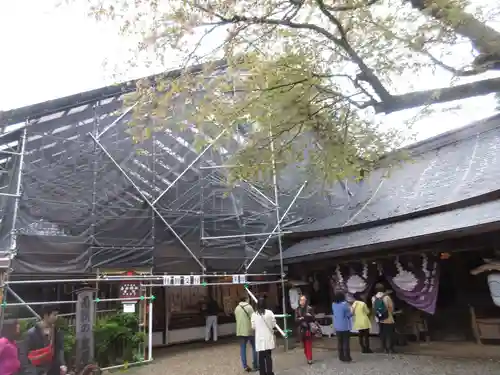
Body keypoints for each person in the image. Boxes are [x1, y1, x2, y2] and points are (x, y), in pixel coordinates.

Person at [25, 305, 67, 375]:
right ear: (46, 315)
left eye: (57, 315)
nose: (56, 317)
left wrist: (62, 364)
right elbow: (28, 355)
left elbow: (60, 349)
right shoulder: (32, 333)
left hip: (54, 368)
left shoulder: (57, 331)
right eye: (54, 315)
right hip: (38, 370)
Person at [251, 297, 276, 375]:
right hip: (268, 337)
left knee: (261, 357)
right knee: (268, 356)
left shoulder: (254, 314)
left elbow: (253, 327)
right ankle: (269, 372)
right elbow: (273, 324)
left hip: (259, 338)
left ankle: (262, 373)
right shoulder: (269, 313)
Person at [235, 296, 258, 372]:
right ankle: (255, 364)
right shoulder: (249, 307)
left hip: (240, 331)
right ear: (246, 299)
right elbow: (253, 318)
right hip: (249, 330)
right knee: (254, 347)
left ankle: (245, 366)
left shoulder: (237, 308)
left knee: (243, 348)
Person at [372, 283, 395, 354]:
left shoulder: (373, 298)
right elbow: (391, 308)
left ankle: (384, 348)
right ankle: (389, 349)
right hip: (388, 318)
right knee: (389, 334)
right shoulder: (387, 297)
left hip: (379, 318)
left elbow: (374, 308)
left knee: (382, 333)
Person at [332, 290, 352, 362]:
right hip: (345, 326)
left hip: (337, 326)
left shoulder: (333, 304)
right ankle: (347, 357)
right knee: (346, 342)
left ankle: (341, 356)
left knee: (339, 342)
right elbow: (349, 314)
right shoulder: (345, 304)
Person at [295, 295, 314, 365]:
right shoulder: (297, 309)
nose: (303, 301)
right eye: (301, 300)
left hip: (308, 328)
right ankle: (307, 356)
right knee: (304, 346)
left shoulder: (309, 308)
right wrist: (300, 319)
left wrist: (309, 316)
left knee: (308, 344)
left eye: (304, 300)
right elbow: (296, 320)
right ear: (299, 301)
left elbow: (313, 319)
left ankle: (309, 358)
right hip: (301, 329)